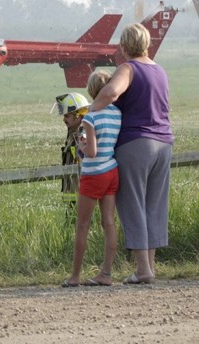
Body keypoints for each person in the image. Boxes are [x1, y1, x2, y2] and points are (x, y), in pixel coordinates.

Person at [89, 23, 173, 285]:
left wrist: (91, 111)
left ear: (124, 47)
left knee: (132, 203)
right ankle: (150, 266)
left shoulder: (128, 68)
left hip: (136, 142)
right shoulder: (159, 70)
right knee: (154, 205)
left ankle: (142, 268)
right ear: (147, 44)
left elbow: (112, 92)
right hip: (164, 142)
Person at [63, 70, 121, 287]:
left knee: (83, 225)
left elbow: (91, 152)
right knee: (109, 223)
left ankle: (75, 275)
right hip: (112, 170)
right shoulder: (117, 113)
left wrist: (81, 144)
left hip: (93, 173)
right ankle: (106, 272)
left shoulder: (90, 117)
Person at [52, 92, 91, 208]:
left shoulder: (83, 133)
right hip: (71, 189)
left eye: (67, 116)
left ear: (78, 115)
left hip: (81, 191)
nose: (64, 119)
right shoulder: (72, 132)